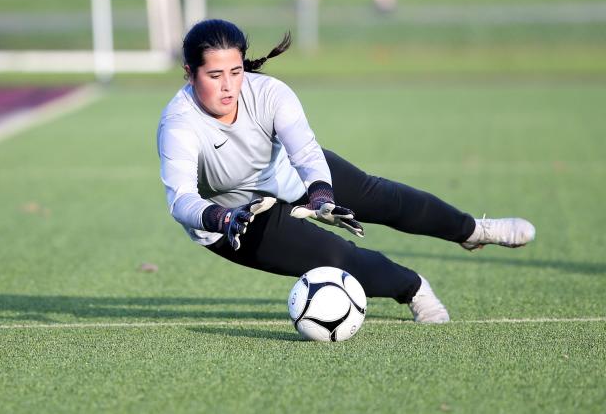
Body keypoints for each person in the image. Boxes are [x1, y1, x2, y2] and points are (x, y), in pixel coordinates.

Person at [156, 19, 535, 323]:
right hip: (234, 220)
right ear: (190, 73)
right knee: (338, 258)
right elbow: (181, 200)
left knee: (380, 197)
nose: (229, 86)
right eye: (215, 75)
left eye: (235, 72)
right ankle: (415, 289)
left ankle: (472, 230)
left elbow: (305, 152)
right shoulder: (179, 124)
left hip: (291, 176)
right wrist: (224, 217)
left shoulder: (270, 93)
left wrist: (322, 196)